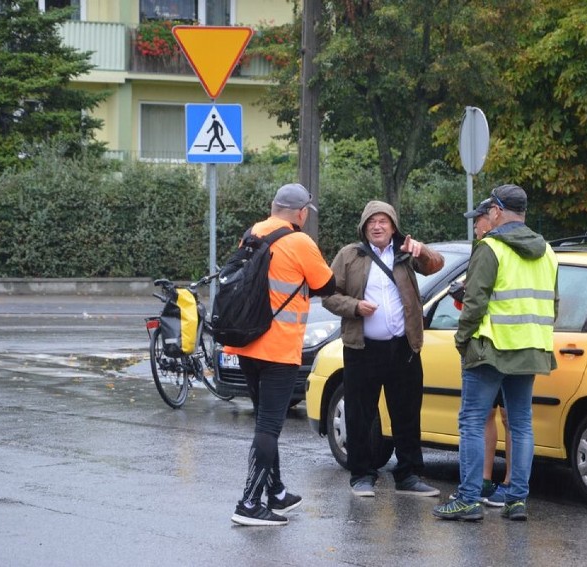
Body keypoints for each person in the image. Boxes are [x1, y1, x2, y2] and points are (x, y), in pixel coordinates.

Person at [432, 184, 558, 522]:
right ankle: (517, 500)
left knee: (472, 421)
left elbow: (474, 302)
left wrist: (462, 340)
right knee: (521, 424)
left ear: (498, 211)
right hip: (530, 347)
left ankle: (469, 499)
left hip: (490, 348)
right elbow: (553, 303)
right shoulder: (547, 251)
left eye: (488, 211)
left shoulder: (491, 247)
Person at [227, 183, 335, 527]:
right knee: (269, 427)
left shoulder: (252, 233)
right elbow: (327, 285)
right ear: (301, 213)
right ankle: (248, 503)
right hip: (279, 348)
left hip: (247, 343)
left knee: (264, 422)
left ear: (273, 207)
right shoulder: (300, 241)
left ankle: (275, 492)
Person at [323, 200, 444, 498]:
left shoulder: (406, 252)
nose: (377, 226)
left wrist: (423, 250)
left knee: (406, 412)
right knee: (360, 414)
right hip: (362, 349)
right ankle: (362, 475)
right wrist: (354, 306)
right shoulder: (349, 255)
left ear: (393, 227)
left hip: (404, 347)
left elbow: (436, 265)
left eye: (383, 221)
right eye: (371, 222)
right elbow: (327, 294)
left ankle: (409, 475)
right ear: (364, 228)